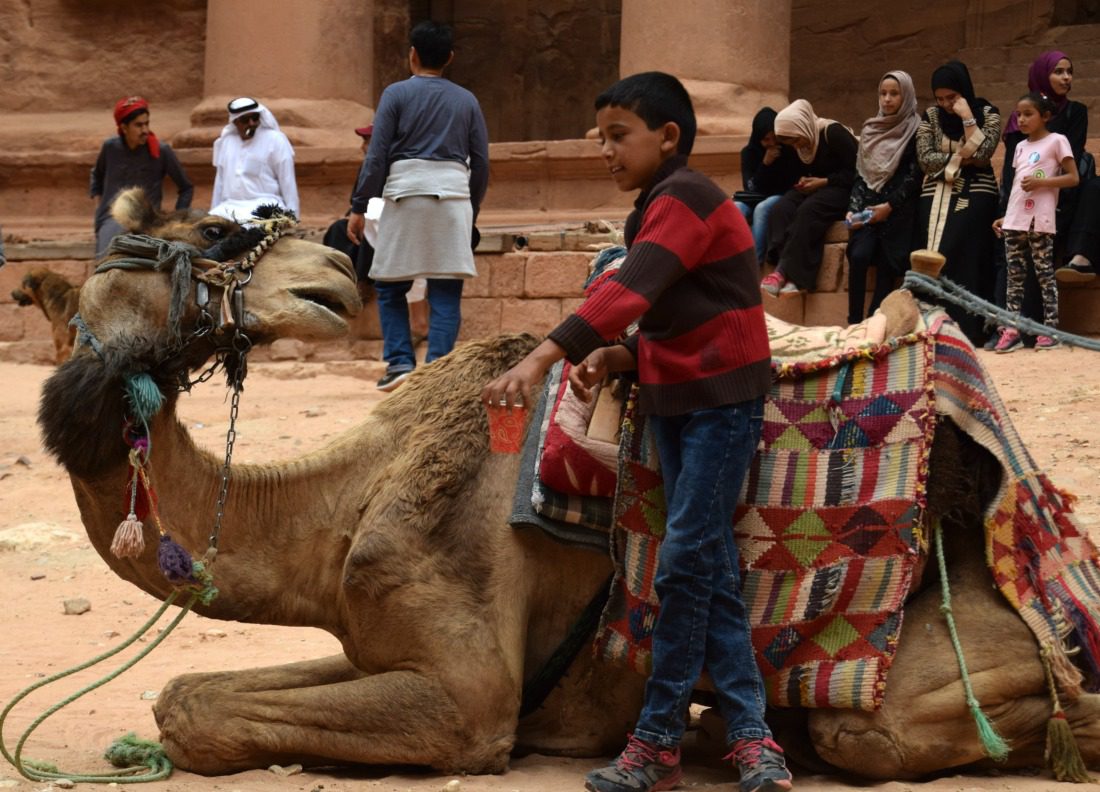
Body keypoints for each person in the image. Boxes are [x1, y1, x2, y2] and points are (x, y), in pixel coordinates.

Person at [481, 72, 791, 792]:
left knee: (685, 562)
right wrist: (619, 355)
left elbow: (634, 288)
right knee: (704, 565)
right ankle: (751, 737)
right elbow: (675, 316)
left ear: (670, 138)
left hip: (720, 405)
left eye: (619, 137)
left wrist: (540, 358)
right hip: (677, 402)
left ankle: (657, 741)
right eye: (601, 140)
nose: (606, 152)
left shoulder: (687, 197)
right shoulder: (655, 208)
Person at [347, 20, 489, 392]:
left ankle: (399, 363)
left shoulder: (395, 94)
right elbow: (481, 161)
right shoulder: (467, 100)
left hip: (404, 195)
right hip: (453, 198)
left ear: (412, 55)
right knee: (445, 290)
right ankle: (438, 370)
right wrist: (470, 207)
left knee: (391, 286)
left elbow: (376, 156)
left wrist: (360, 205)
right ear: (450, 58)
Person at [914, 60, 1002, 345]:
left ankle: (971, 328)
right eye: (940, 99)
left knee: (966, 240)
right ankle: (935, 327)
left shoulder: (988, 113)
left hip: (978, 188)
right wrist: (964, 157)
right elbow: (926, 160)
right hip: (936, 190)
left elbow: (986, 153)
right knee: (934, 245)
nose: (946, 105)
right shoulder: (930, 116)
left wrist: (967, 119)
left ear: (963, 91)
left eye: (952, 98)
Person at [991, 92, 1078, 353]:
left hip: (1040, 218)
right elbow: (1019, 186)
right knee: (1014, 276)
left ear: (1046, 116)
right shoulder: (1019, 147)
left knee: (1043, 275)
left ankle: (1050, 329)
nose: (1022, 119)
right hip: (1016, 219)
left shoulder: (1057, 141)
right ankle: (1012, 330)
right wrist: (1007, 215)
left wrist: (1043, 182)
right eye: (1019, 114)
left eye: (1028, 114)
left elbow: (1073, 177)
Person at [844, 71, 922, 324]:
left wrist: (889, 206)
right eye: (883, 93)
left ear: (906, 95)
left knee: (889, 262)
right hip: (869, 206)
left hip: (899, 208)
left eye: (894, 94)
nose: (887, 99)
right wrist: (852, 209)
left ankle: (873, 321)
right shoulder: (870, 129)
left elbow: (914, 178)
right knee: (859, 256)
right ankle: (854, 322)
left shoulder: (916, 129)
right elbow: (860, 175)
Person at [760, 99, 857, 297]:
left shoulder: (832, 133)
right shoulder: (801, 145)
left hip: (843, 189)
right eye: (791, 143)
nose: (797, 146)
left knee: (808, 210)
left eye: (797, 140)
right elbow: (808, 170)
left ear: (803, 126)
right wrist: (805, 181)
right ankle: (782, 265)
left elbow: (858, 172)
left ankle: (792, 275)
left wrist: (824, 182)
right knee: (781, 207)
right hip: (819, 187)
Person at [90, 96, 193, 257]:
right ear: (124, 128)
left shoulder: (162, 151)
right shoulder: (110, 148)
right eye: (138, 125)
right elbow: (96, 176)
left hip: (148, 224)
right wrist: (99, 209)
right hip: (112, 220)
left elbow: (186, 188)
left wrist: (175, 220)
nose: (145, 130)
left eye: (147, 124)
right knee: (104, 266)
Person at [210, 97, 300, 221]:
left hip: (265, 205)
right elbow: (220, 182)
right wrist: (214, 213)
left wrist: (293, 217)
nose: (251, 123)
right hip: (229, 207)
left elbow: (287, 180)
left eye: (255, 118)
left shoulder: (275, 140)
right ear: (235, 122)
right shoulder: (226, 142)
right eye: (245, 120)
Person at [735, 107, 802, 267]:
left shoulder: (789, 151)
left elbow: (791, 183)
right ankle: (732, 262)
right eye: (766, 139)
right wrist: (765, 164)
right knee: (736, 208)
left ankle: (755, 263)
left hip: (780, 196)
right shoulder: (749, 153)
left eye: (774, 138)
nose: (772, 144)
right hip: (755, 196)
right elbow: (750, 186)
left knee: (762, 209)